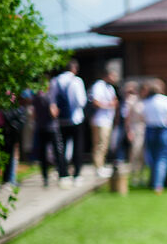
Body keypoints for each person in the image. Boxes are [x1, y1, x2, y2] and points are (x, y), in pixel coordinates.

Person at [48, 59, 87, 188]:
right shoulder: (77, 81)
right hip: (75, 119)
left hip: (60, 120)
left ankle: (63, 173)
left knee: (61, 147)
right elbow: (81, 101)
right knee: (77, 147)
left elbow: (52, 101)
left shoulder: (55, 81)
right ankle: (76, 174)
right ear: (74, 68)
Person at [142, 78, 167, 194]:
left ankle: (152, 181)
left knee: (152, 157)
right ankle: (158, 185)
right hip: (164, 130)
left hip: (150, 130)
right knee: (162, 158)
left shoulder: (146, 102)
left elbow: (143, 118)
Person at [31, 84, 64, 187]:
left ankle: (45, 177)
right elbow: (53, 112)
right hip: (51, 128)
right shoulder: (50, 97)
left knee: (43, 154)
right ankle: (61, 174)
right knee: (58, 151)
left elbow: (34, 115)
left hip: (40, 127)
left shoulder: (36, 98)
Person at [88, 68, 119, 179]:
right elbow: (96, 102)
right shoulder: (99, 86)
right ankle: (98, 167)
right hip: (99, 120)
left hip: (107, 120)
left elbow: (115, 102)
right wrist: (109, 105)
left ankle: (101, 165)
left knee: (105, 145)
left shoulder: (110, 88)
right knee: (99, 145)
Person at [121, 80, 146, 185]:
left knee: (143, 155)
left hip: (145, 128)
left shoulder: (145, 101)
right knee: (135, 153)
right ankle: (134, 176)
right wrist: (129, 131)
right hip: (135, 128)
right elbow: (128, 118)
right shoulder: (132, 101)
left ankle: (141, 176)